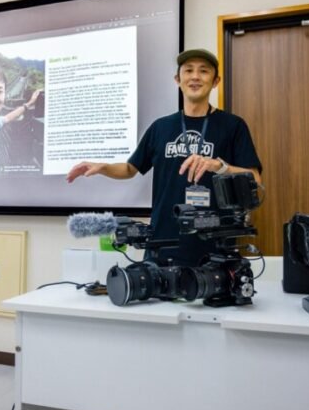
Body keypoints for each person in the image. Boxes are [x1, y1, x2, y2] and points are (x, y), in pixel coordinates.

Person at [66, 49, 262, 266]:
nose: (195, 76)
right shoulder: (161, 127)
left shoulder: (233, 126)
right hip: (163, 242)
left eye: (203, 71)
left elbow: (254, 178)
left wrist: (218, 166)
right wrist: (104, 167)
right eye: (188, 71)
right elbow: (131, 169)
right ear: (178, 80)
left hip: (214, 245)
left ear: (215, 81)